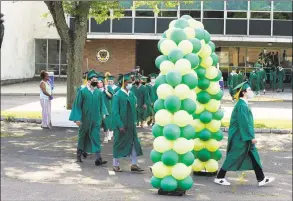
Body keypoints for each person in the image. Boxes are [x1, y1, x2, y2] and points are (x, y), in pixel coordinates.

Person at [214, 81, 275, 187]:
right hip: (240, 137)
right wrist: (250, 138)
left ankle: (261, 179)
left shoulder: (243, 104)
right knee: (233, 156)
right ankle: (220, 177)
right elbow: (244, 123)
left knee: (254, 155)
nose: (251, 92)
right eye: (249, 90)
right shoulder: (241, 105)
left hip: (243, 136)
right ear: (243, 92)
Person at [69, 69, 108, 165]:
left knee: (96, 137)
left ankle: (98, 158)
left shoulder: (98, 92)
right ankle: (79, 155)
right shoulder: (82, 91)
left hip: (95, 119)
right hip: (84, 119)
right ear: (89, 80)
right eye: (94, 80)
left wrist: (103, 113)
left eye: (96, 80)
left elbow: (102, 104)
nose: (96, 81)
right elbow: (77, 105)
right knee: (83, 137)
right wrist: (77, 119)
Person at [111, 73, 144, 172]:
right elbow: (115, 112)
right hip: (121, 125)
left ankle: (134, 164)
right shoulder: (117, 96)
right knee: (118, 144)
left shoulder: (131, 94)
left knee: (134, 143)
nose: (131, 84)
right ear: (123, 83)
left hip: (131, 125)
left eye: (131, 82)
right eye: (129, 82)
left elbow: (135, 106)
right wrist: (120, 125)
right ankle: (115, 164)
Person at [96, 73, 114, 143]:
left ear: (103, 82)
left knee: (106, 123)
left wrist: (106, 91)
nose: (99, 84)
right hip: (98, 109)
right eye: (98, 82)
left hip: (107, 108)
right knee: (99, 123)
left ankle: (106, 136)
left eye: (101, 82)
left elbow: (111, 96)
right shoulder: (96, 90)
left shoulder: (108, 88)